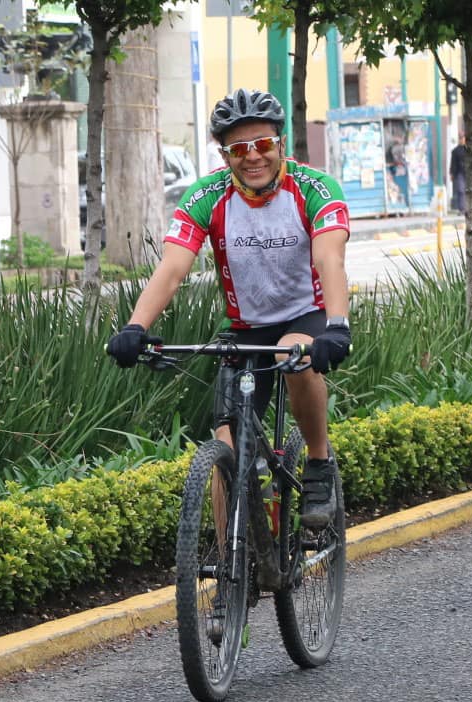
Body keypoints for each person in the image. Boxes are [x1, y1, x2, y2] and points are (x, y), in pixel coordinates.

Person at [105, 89, 351, 529]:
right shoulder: (208, 196)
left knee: (290, 357)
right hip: (243, 326)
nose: (252, 157)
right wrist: (135, 326)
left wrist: (336, 325)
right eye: (239, 149)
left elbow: (329, 258)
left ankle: (317, 462)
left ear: (280, 144)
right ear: (225, 155)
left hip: (304, 315)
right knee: (226, 450)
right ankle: (227, 580)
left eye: (262, 145)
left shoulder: (314, 188)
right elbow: (173, 268)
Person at [386, 135, 410, 212]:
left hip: (398, 169)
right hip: (399, 169)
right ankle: (403, 204)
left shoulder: (395, 148)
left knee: (398, 187)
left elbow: (396, 159)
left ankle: (400, 204)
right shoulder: (398, 148)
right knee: (399, 187)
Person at [450, 134, 471, 212]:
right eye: (460, 139)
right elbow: (453, 163)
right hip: (459, 173)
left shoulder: (468, 150)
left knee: (467, 190)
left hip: (468, 173)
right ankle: (462, 208)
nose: (462, 140)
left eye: (463, 138)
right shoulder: (455, 151)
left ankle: (467, 207)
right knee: (461, 190)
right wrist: (452, 173)